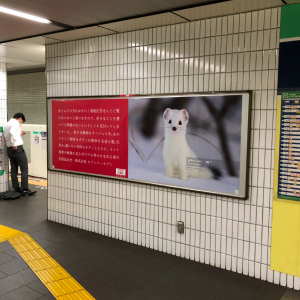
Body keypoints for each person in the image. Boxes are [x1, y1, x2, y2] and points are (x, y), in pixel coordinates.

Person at [4, 113, 36, 196]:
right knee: (24, 168)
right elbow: (12, 132)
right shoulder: (15, 122)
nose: (21, 123)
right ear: (20, 118)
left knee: (14, 168)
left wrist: (19, 134)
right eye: (22, 121)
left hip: (9, 149)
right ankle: (25, 189)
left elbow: (9, 134)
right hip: (17, 149)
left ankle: (16, 188)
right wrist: (14, 144)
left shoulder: (7, 123)